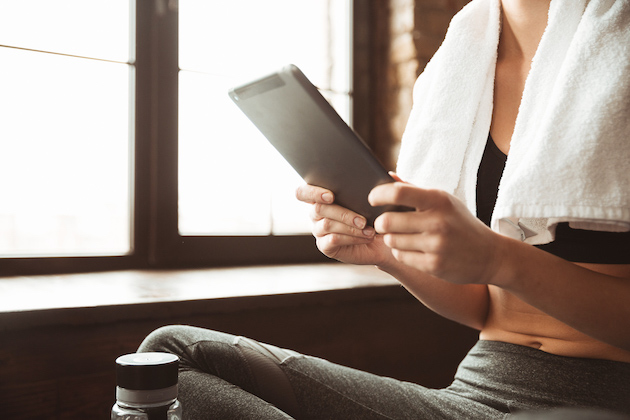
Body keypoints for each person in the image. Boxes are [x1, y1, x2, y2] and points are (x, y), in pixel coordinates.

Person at [138, 0, 630, 418]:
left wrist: (500, 259)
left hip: (604, 397)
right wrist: (385, 252)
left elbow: (498, 266)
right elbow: (483, 306)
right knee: (169, 358)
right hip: (480, 388)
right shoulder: (468, 63)